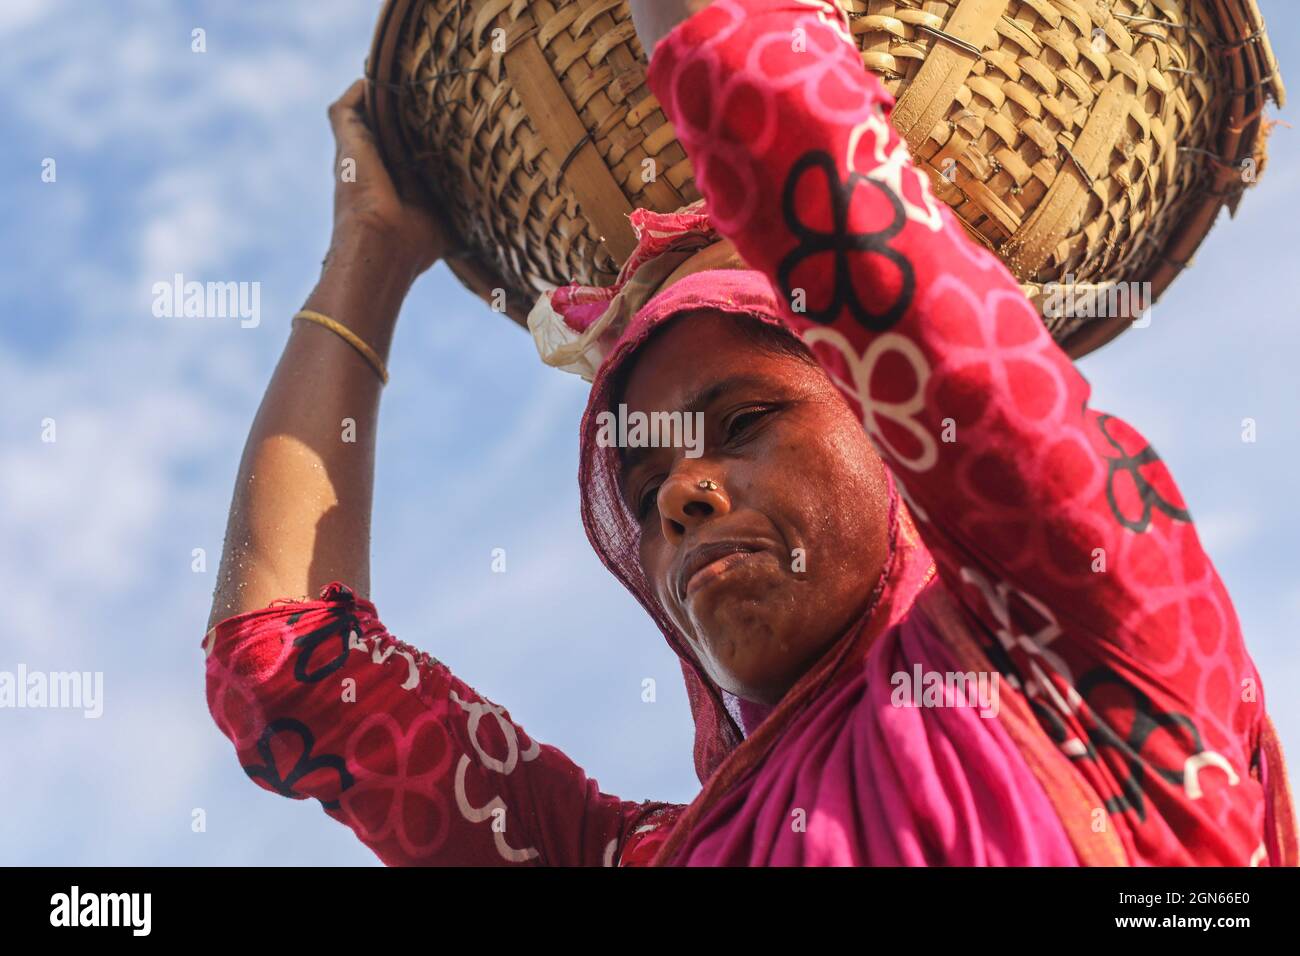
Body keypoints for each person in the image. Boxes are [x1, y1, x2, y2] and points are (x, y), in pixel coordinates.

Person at [202, 0, 1296, 866]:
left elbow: (797, 155)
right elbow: (289, 674)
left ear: (897, 422)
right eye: (638, 490)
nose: (679, 496)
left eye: (743, 420)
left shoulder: (1096, 635)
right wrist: (369, 252)